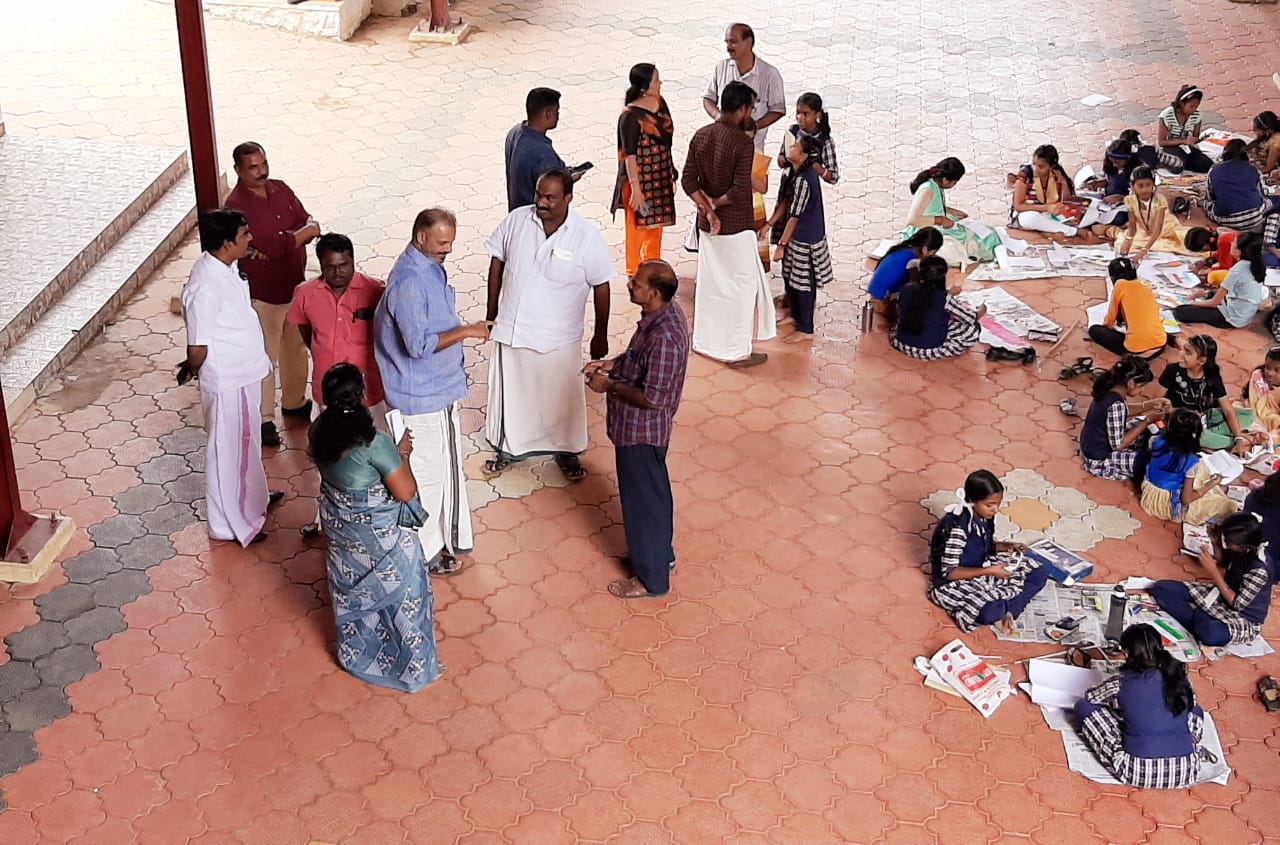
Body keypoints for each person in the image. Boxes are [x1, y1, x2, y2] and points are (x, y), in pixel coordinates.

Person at [309, 363, 440, 693]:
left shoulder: (317, 431)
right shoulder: (375, 443)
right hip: (381, 542)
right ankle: (411, 669)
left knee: (356, 591)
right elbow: (405, 492)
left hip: (344, 539)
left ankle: (360, 655)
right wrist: (403, 454)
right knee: (408, 579)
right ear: (362, 396)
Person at [374, 208, 491, 576]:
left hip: (434, 391)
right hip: (421, 397)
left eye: (451, 242)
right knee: (428, 475)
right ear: (421, 237)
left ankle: (438, 543)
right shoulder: (409, 282)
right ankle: (424, 554)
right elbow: (418, 345)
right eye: (442, 243)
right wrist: (467, 331)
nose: (448, 250)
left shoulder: (427, 265)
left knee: (442, 470)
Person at [483, 169, 615, 481]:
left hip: (559, 337)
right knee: (514, 396)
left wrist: (600, 334)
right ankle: (508, 449)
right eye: (539, 195)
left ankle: (566, 452)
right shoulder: (517, 220)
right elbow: (496, 261)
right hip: (514, 329)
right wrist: (491, 312)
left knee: (561, 398)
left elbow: (602, 286)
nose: (541, 202)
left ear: (568, 198)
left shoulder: (585, 235)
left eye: (550, 197)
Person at [584, 261, 690, 600]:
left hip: (642, 432)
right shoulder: (660, 317)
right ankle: (659, 556)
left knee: (643, 502)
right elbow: (639, 360)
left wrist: (608, 385)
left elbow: (654, 397)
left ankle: (651, 579)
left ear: (654, 293)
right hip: (637, 430)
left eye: (637, 283)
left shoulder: (664, 336)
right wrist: (613, 365)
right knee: (652, 497)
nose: (630, 284)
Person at [178, 209, 282, 546]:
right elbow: (198, 346)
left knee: (246, 444)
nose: (250, 238)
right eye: (244, 234)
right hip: (228, 380)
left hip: (244, 373)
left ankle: (253, 502)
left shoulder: (226, 267)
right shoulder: (205, 287)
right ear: (226, 244)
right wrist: (192, 367)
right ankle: (228, 525)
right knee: (227, 452)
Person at [223, 141, 321, 448]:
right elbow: (273, 245)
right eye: (253, 167)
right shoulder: (235, 206)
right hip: (262, 295)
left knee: (295, 348)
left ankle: (294, 402)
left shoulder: (281, 189)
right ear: (238, 170)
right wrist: (296, 237)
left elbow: (307, 220)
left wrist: (292, 238)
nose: (261, 171)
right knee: (264, 358)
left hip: (294, 287)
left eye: (263, 163)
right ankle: (264, 418)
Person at [683, 80, 776, 368]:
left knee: (711, 285)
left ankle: (705, 343)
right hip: (736, 226)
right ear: (743, 109)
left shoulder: (701, 135)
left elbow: (688, 181)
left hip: (708, 228)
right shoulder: (742, 143)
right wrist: (715, 204)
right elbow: (738, 191)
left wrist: (707, 208)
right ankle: (736, 351)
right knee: (742, 289)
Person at [1072, 624, 1205, 789]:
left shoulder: (1121, 682)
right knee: (1196, 710)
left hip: (1137, 770)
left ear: (1126, 654)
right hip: (1186, 770)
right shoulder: (1179, 677)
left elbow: (1090, 699)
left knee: (1083, 707)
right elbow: (1192, 704)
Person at [927, 470, 1049, 634]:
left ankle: (1008, 611)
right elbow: (949, 572)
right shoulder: (958, 529)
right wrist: (989, 571)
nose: (995, 510)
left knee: (1039, 571)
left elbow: (982, 546)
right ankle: (1005, 608)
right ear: (972, 501)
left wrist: (1007, 546)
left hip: (982, 567)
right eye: (990, 505)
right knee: (989, 611)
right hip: (956, 581)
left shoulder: (983, 517)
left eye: (998, 504)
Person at [1150, 512, 1275, 647]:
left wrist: (1213, 571)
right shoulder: (1241, 549)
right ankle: (1200, 620)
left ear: (1244, 546)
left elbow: (1236, 603)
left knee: (1211, 633)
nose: (1225, 544)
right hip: (1219, 596)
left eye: (1228, 542)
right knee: (1161, 588)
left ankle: (1200, 619)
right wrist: (1215, 542)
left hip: (1243, 616)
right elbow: (1224, 562)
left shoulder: (1260, 570)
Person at [611, 64, 678, 278]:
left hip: (660, 176)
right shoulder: (630, 117)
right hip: (639, 181)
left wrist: (671, 173)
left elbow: (666, 144)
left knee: (655, 227)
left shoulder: (660, 103)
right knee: (637, 229)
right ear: (643, 87)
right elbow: (629, 155)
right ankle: (634, 273)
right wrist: (636, 190)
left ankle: (652, 267)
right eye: (656, 81)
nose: (660, 83)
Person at [765, 135, 832, 339]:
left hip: (805, 238)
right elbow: (786, 201)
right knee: (790, 276)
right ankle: (794, 315)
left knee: (803, 282)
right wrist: (769, 224)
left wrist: (781, 245)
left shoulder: (804, 179)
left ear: (803, 155)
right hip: (795, 237)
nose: (791, 147)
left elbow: (794, 215)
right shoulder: (795, 172)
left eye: (795, 146)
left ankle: (806, 329)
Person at [1160, 334, 1263, 454]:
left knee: (1249, 415)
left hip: (1206, 418)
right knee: (1195, 437)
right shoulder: (1172, 371)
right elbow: (1157, 402)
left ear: (1201, 360)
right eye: (1183, 349)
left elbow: (1227, 410)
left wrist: (1238, 437)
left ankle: (1218, 438)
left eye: (1188, 352)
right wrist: (1174, 412)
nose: (1181, 354)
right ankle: (1232, 442)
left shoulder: (1212, 376)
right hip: (1183, 422)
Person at [1139, 408, 1234, 524]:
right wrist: (1212, 483)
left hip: (1149, 495)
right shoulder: (1190, 461)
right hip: (1166, 505)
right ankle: (1216, 490)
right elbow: (1186, 499)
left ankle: (1215, 489)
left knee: (1200, 470)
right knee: (1228, 506)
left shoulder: (1155, 440)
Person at [1080, 356, 1169, 480]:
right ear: (1131, 383)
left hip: (1091, 448)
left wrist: (1151, 404)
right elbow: (1119, 445)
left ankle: (1139, 444)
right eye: (1141, 386)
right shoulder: (1116, 404)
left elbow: (1123, 411)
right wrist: (1148, 420)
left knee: (1142, 423)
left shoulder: (1109, 390)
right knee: (1147, 463)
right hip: (1100, 459)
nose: (1142, 390)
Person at [701, 23, 786, 152]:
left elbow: (778, 109)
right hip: (722, 143)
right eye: (727, 42)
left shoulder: (770, 74)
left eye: (733, 42)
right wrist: (718, 116)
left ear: (749, 43)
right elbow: (708, 98)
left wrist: (755, 126)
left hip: (753, 147)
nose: (728, 47)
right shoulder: (721, 67)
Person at [904, 157, 1000, 265]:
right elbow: (912, 220)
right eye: (955, 181)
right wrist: (941, 220)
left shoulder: (935, 184)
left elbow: (930, 206)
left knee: (986, 231)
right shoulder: (927, 189)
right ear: (946, 179)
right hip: (926, 228)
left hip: (937, 222)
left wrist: (951, 211)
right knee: (973, 241)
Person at [505, 87, 583, 212]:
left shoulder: (514, 133)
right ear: (548, 113)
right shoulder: (544, 156)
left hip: (516, 213)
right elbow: (554, 192)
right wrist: (568, 179)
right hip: (536, 218)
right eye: (557, 111)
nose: (558, 116)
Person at [892, 256, 981, 360]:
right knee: (973, 328)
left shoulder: (906, 289)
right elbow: (970, 318)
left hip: (901, 343)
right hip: (928, 349)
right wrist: (981, 310)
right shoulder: (944, 298)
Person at [1173, 231, 1268, 328]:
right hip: (1243, 313)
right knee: (1208, 296)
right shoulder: (1255, 264)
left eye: (1234, 243)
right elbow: (1228, 291)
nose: (1231, 243)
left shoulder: (1238, 269)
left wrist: (1193, 303)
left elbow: (1214, 303)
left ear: (1238, 252)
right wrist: (1205, 294)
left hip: (1232, 318)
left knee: (1180, 311)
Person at [1087, 257, 1167, 357]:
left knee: (1094, 330)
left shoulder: (1120, 285)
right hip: (1160, 344)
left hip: (1136, 350)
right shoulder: (1145, 286)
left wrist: (1107, 328)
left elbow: (1110, 319)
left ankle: (1133, 355)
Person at [1203, 139, 1280, 232]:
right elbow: (1262, 194)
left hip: (1223, 219)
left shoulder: (1214, 170)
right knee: (1275, 200)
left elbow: (1210, 197)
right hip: (1254, 217)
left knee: (1206, 203)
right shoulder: (1253, 169)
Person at [1117, 166, 1193, 258]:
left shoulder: (1159, 200)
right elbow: (1132, 226)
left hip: (1167, 227)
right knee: (1122, 244)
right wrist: (1128, 240)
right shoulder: (1129, 200)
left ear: (1153, 184)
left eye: (1148, 185)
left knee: (1187, 240)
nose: (1144, 189)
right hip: (1144, 231)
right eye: (1140, 186)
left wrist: (1145, 250)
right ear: (1132, 186)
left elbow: (1158, 230)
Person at [1010, 145, 1083, 237]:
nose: (1035, 169)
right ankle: (1072, 231)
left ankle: (1049, 229)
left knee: (1087, 213)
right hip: (1026, 213)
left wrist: (1063, 182)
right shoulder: (1025, 174)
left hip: (1049, 214)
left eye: (1041, 167)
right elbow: (1018, 206)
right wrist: (1046, 208)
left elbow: (1066, 200)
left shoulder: (1056, 173)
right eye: (1034, 164)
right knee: (1030, 218)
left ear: (1051, 166)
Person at [867, 227, 943, 312]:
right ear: (925, 250)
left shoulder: (906, 249)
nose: (933, 256)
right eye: (933, 253)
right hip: (880, 301)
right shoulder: (912, 261)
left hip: (876, 295)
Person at [1140, 85, 1213, 174]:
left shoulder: (1197, 115)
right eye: (1191, 106)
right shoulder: (1167, 115)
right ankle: (1163, 158)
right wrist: (1183, 141)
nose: (1194, 109)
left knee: (1207, 165)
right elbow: (1162, 142)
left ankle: (1183, 161)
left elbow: (1195, 137)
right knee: (1177, 167)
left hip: (1187, 147)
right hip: (1170, 146)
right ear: (1182, 104)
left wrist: (1199, 139)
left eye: (1196, 107)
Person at [774, 93, 838, 184]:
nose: (800, 118)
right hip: (788, 185)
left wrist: (819, 169)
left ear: (818, 115)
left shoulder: (824, 140)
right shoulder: (792, 132)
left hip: (809, 186)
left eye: (805, 114)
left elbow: (834, 177)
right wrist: (784, 160)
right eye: (798, 113)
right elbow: (781, 158)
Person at [1244, 345, 1280, 434]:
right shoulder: (1258, 376)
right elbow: (1253, 404)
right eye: (1267, 367)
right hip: (1254, 415)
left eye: (1277, 370)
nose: (1270, 373)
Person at [1246, 111, 1280, 183]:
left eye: (1256, 130)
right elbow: (1255, 142)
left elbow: (1269, 168)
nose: (1253, 131)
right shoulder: (1269, 133)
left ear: (1266, 131)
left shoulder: (1275, 142)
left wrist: (1250, 173)